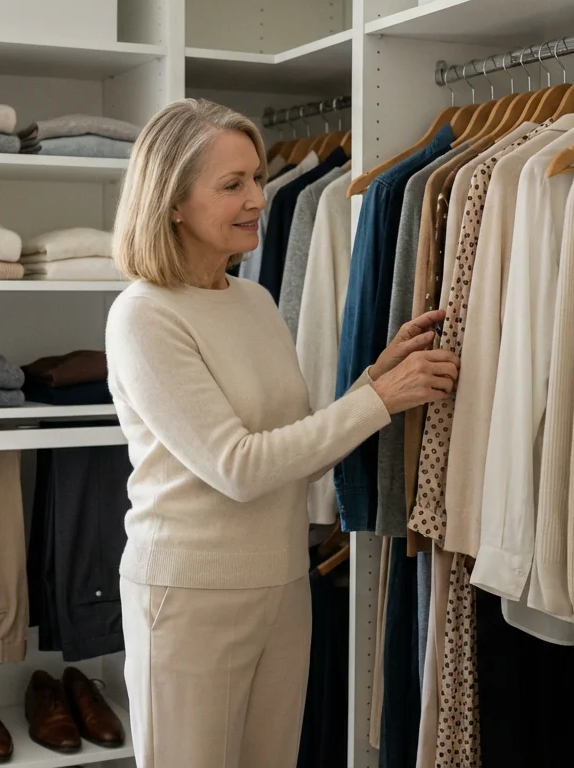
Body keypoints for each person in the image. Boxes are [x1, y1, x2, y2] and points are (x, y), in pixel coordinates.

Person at [105, 98, 459, 768]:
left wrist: (371, 380)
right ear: (172, 202)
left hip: (282, 586)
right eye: (232, 184)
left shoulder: (254, 300)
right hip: (190, 599)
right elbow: (238, 466)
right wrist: (379, 402)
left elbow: (292, 439)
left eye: (257, 179)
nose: (257, 200)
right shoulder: (144, 317)